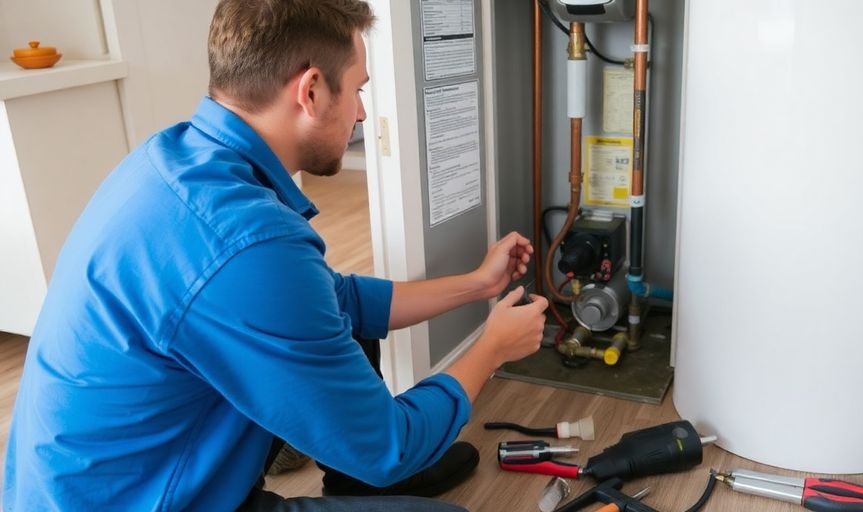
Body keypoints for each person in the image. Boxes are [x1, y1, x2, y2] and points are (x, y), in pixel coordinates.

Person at [2, 0, 549, 510]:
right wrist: (492, 348)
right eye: (358, 90)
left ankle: (353, 480)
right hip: (146, 501)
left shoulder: (175, 157)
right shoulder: (246, 242)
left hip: (92, 478)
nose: (361, 113)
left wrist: (478, 284)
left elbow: (336, 299)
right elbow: (392, 446)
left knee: (339, 322)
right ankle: (358, 469)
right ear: (310, 91)